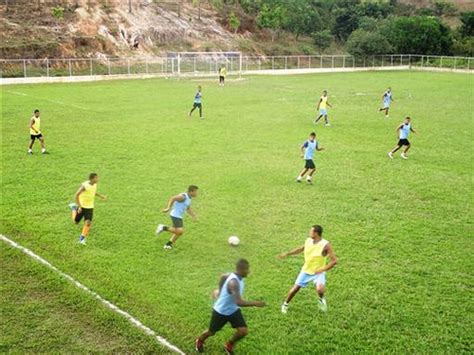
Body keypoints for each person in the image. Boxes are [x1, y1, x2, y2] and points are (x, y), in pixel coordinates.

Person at [195, 259, 266, 354]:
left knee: (243, 331)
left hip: (233, 310)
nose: (248, 271)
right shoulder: (234, 283)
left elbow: (223, 276)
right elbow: (239, 302)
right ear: (240, 269)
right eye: (246, 269)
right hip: (221, 311)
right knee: (211, 332)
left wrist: (220, 291)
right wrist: (255, 303)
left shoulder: (234, 276)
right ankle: (199, 340)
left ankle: (228, 345)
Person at [278, 225, 338, 314]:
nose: (309, 233)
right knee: (295, 289)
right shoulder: (308, 241)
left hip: (318, 271)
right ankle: (285, 304)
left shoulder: (325, 245)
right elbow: (300, 249)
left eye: (311, 231)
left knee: (320, 289)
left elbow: (334, 261)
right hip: (306, 270)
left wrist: (323, 269)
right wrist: (288, 254)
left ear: (316, 233)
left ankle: (321, 300)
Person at [68, 173, 107, 245]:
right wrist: (79, 206)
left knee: (88, 222)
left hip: (90, 207)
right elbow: (77, 194)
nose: (98, 179)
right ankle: (74, 208)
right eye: (96, 178)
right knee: (75, 222)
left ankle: (82, 239)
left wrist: (101, 196)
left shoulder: (94, 184)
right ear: (92, 179)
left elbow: (93, 191)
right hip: (82, 206)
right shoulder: (84, 186)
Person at [155, 185, 198, 250]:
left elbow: (188, 208)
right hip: (175, 215)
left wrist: (193, 215)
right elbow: (173, 198)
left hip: (179, 216)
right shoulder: (183, 197)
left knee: (178, 232)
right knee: (179, 231)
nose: (197, 193)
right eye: (196, 192)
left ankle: (168, 244)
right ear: (191, 192)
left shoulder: (189, 198)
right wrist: (168, 208)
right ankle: (163, 227)